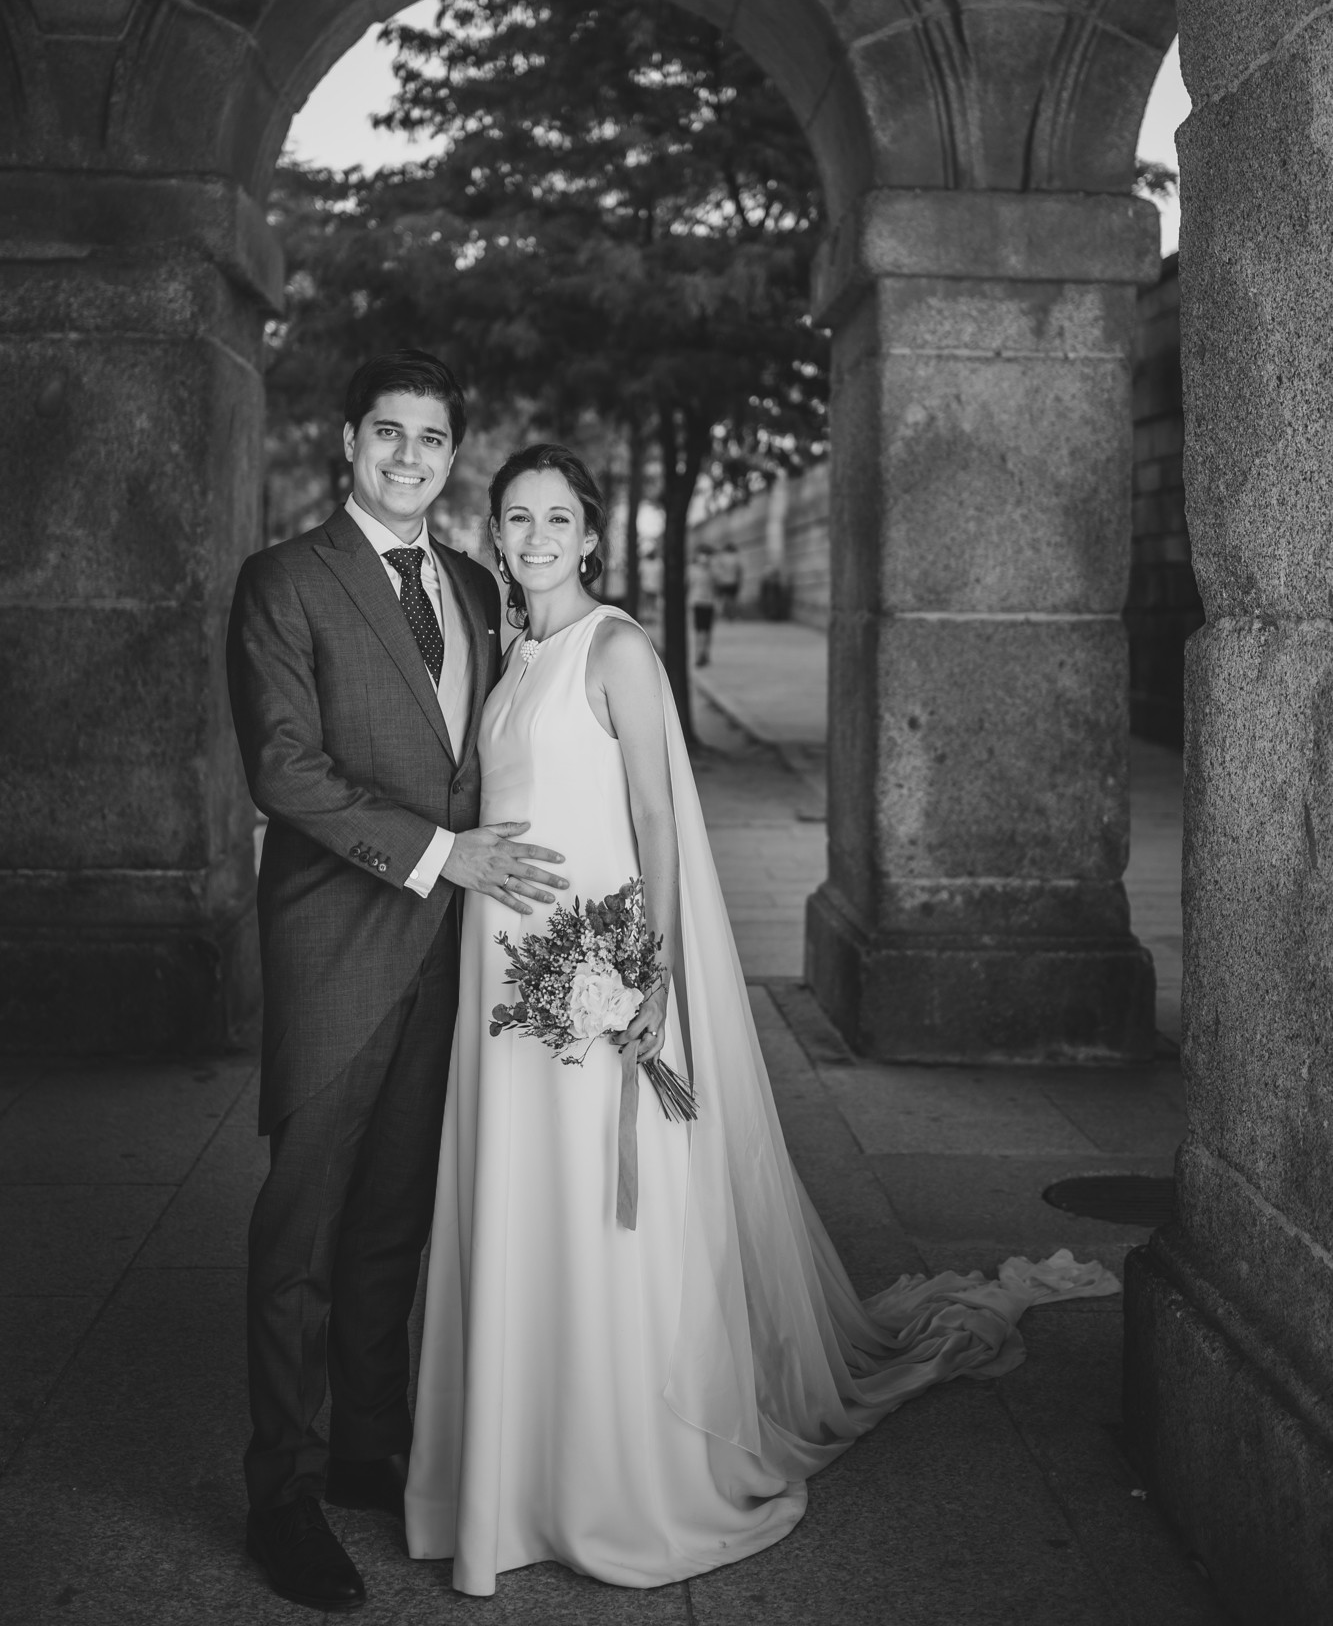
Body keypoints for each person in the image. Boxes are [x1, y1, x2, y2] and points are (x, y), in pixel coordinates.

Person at [404, 444, 1117, 1594]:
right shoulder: (512, 651)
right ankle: (513, 1470)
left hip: (600, 968)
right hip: (506, 981)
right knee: (520, 1201)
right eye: (516, 517)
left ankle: (614, 1471)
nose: (535, 535)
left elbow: (655, 815)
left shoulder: (617, 647)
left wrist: (650, 977)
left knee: (600, 1216)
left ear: (591, 533)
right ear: (497, 532)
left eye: (557, 517)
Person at [226, 351, 569, 1614]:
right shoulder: (284, 582)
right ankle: (281, 1493)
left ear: (451, 454)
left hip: (451, 959)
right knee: (300, 1231)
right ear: (349, 444)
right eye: (389, 434)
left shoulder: (480, 586)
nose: (410, 457)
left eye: (432, 438)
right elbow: (284, 768)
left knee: (392, 1220)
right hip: (335, 944)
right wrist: (441, 852)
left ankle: (365, 1444)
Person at [686, 543, 715, 666]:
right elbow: (688, 585)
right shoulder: (692, 570)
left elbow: (717, 585)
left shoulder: (712, 570)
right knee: (699, 630)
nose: (705, 558)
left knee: (707, 630)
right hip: (697, 601)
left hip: (709, 602)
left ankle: (705, 653)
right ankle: (699, 654)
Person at [711, 539, 743, 620]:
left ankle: (720, 615)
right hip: (733, 581)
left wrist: (717, 579)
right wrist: (739, 580)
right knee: (733, 599)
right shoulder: (736, 557)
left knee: (721, 600)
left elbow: (717, 569)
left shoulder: (721, 557)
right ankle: (733, 615)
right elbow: (739, 570)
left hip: (722, 581)